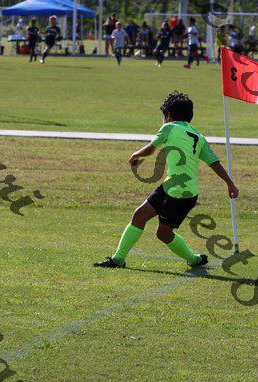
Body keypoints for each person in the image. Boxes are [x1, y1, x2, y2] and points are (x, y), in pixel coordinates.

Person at [93, 91, 239, 269]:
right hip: (175, 188)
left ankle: (194, 260)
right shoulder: (198, 137)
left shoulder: (169, 128)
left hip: (180, 194)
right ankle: (118, 259)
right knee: (140, 215)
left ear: (168, 115)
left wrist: (135, 155)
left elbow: (151, 149)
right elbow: (214, 162)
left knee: (163, 234)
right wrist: (230, 183)